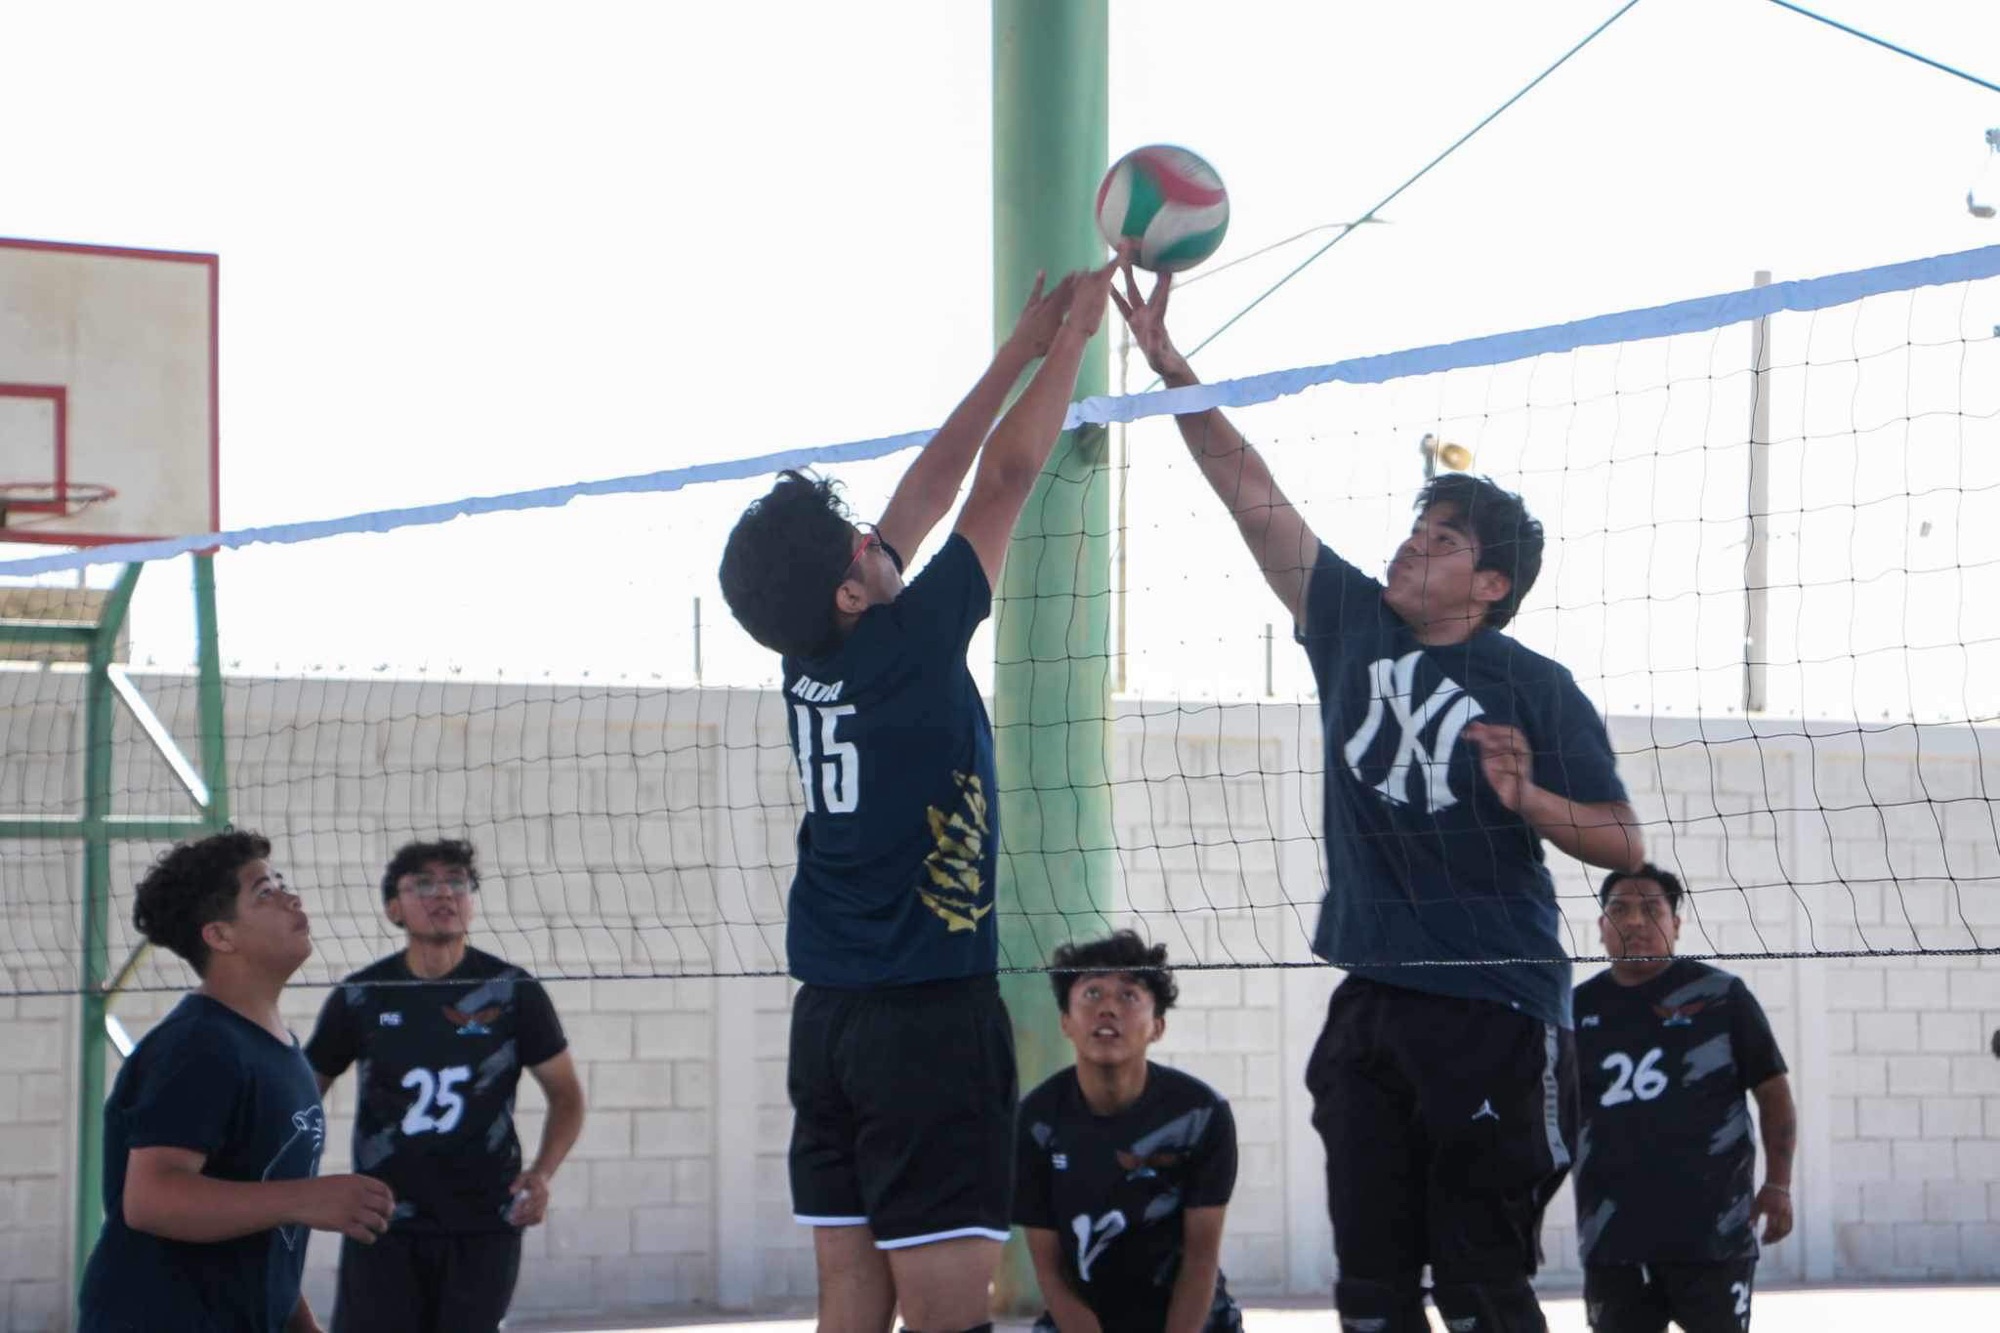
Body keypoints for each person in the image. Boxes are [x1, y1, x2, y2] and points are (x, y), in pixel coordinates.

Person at [1113, 265, 1645, 1332]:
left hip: (1495, 1003)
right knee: (1369, 1288)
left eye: (1443, 540)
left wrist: (1525, 793)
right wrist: (1174, 375)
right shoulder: (1352, 624)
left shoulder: (1533, 685)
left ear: (1489, 586)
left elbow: (1622, 844)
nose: (1412, 545)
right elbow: (1251, 494)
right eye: (1416, 529)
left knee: (1481, 1285)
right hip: (1371, 997)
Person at [718, 254, 1117, 1333]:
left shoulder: (809, 648)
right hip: (926, 1022)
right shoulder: (913, 638)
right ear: (853, 589)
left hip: (830, 1022)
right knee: (949, 1315)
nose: (878, 537)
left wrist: (1019, 345)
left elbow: (928, 489)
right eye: (863, 545)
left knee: (850, 1304)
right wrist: (1074, 340)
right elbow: (1000, 480)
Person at [77, 829, 396, 1333]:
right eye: (264, 892)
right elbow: (151, 1199)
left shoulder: (276, 1047)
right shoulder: (199, 1046)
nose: (292, 898)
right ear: (220, 936)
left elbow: (262, 1227)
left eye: (282, 883)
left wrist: (300, 1324)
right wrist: (306, 1198)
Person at [305, 838, 586, 1333]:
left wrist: (542, 1173)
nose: (444, 894)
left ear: (471, 901)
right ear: (394, 908)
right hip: (384, 1219)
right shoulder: (363, 995)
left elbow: (567, 1096)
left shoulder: (512, 991)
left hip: (483, 1219)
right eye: (424, 884)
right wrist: (299, 1185)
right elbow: (303, 1097)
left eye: (457, 882)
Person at [1573, 866, 1796, 1333]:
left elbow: (1773, 1093)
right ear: (1601, 926)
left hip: (1712, 1236)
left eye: (1651, 910)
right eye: (1619, 910)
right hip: (1613, 1239)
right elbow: (1551, 1117)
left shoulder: (1722, 996)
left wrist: (1778, 1185)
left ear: (1676, 924)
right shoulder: (1575, 1008)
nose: (1635, 921)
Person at [1014, 931, 1240, 1333]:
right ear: (1066, 1022)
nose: (1108, 1009)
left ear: (1157, 1026)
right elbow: (1050, 1270)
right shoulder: (1035, 1120)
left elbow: (1200, 1260)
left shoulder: (1202, 1114)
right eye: (1092, 994)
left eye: (1128, 996)